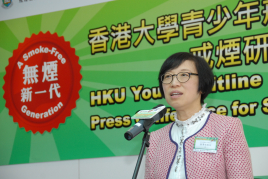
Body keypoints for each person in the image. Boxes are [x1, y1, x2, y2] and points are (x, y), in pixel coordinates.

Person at [144, 52, 253, 179]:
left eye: (184, 75)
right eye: (167, 76)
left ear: (202, 84)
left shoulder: (227, 127)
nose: (173, 83)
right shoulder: (156, 138)